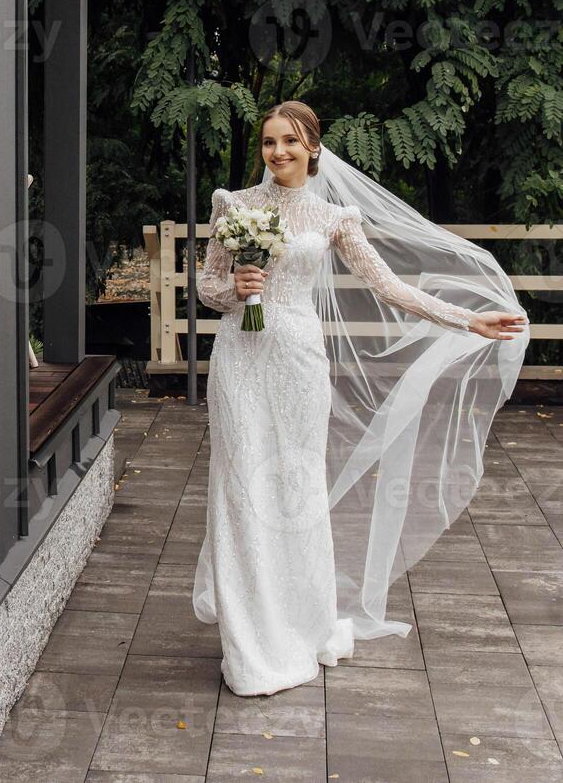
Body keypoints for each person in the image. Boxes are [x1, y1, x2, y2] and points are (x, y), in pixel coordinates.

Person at [192, 100, 528, 697]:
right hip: (240, 363)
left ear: (313, 148)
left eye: (290, 142)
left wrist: (467, 321)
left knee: (295, 490)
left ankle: (300, 623)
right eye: (269, 142)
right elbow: (208, 284)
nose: (278, 153)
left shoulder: (332, 218)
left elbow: (391, 288)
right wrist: (233, 288)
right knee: (241, 486)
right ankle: (249, 644)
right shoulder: (234, 207)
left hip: (297, 363)